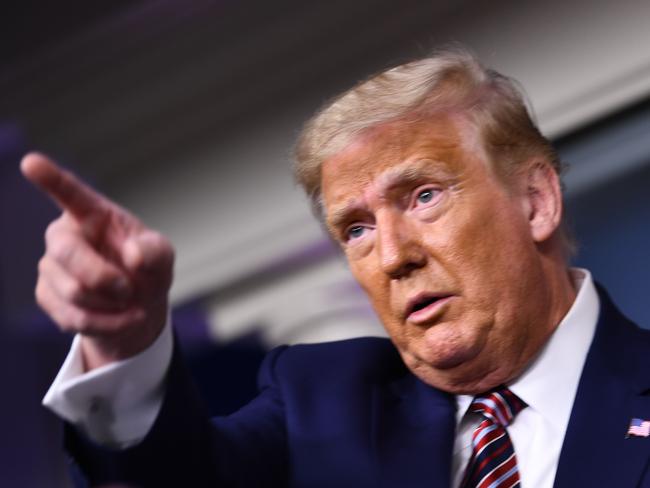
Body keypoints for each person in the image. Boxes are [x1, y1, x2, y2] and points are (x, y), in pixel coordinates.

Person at [23, 47, 650, 487]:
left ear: (535, 201)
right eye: (356, 228)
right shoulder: (323, 404)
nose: (393, 255)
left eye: (424, 196)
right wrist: (125, 341)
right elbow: (171, 477)